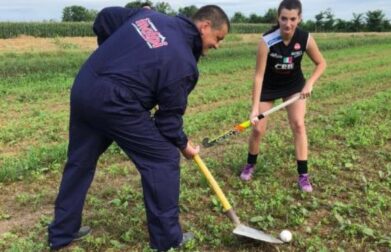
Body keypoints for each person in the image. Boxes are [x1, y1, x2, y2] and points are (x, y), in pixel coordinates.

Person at [48, 5, 229, 251]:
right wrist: (184, 146)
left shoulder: (149, 16)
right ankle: (167, 241)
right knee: (163, 159)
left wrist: (114, 56)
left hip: (85, 85)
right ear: (204, 26)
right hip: (116, 102)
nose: (217, 45)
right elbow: (167, 122)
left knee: (80, 161)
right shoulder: (184, 64)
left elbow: (104, 18)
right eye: (218, 38)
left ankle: (61, 232)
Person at [239, 0, 326, 193]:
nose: (288, 24)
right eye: (284, 19)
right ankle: (250, 164)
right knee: (258, 129)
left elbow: (321, 63)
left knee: (298, 124)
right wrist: (254, 108)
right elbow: (259, 76)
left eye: (293, 19)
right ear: (278, 18)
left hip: (294, 87)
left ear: (299, 18)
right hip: (269, 87)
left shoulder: (305, 39)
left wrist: (309, 83)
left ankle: (303, 175)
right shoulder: (267, 41)